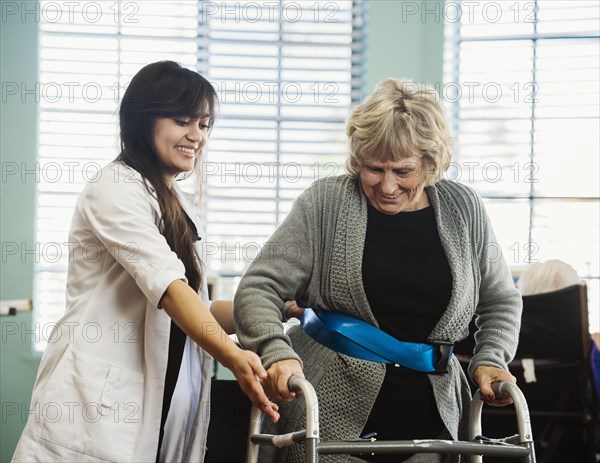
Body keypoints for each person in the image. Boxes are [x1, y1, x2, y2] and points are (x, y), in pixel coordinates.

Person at [234, 78, 522, 463]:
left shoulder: (463, 208)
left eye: (403, 171)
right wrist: (276, 353)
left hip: (433, 422)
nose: (387, 185)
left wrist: (490, 359)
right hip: (330, 415)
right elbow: (259, 287)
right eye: (374, 168)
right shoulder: (326, 203)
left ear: (430, 162)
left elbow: (500, 299)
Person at [12, 60, 278, 463]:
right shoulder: (114, 187)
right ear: (143, 118)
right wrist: (234, 357)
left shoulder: (182, 206)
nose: (196, 136)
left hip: (164, 402)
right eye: (183, 120)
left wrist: (275, 311)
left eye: (204, 124)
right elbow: (170, 290)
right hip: (96, 410)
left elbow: (197, 308)